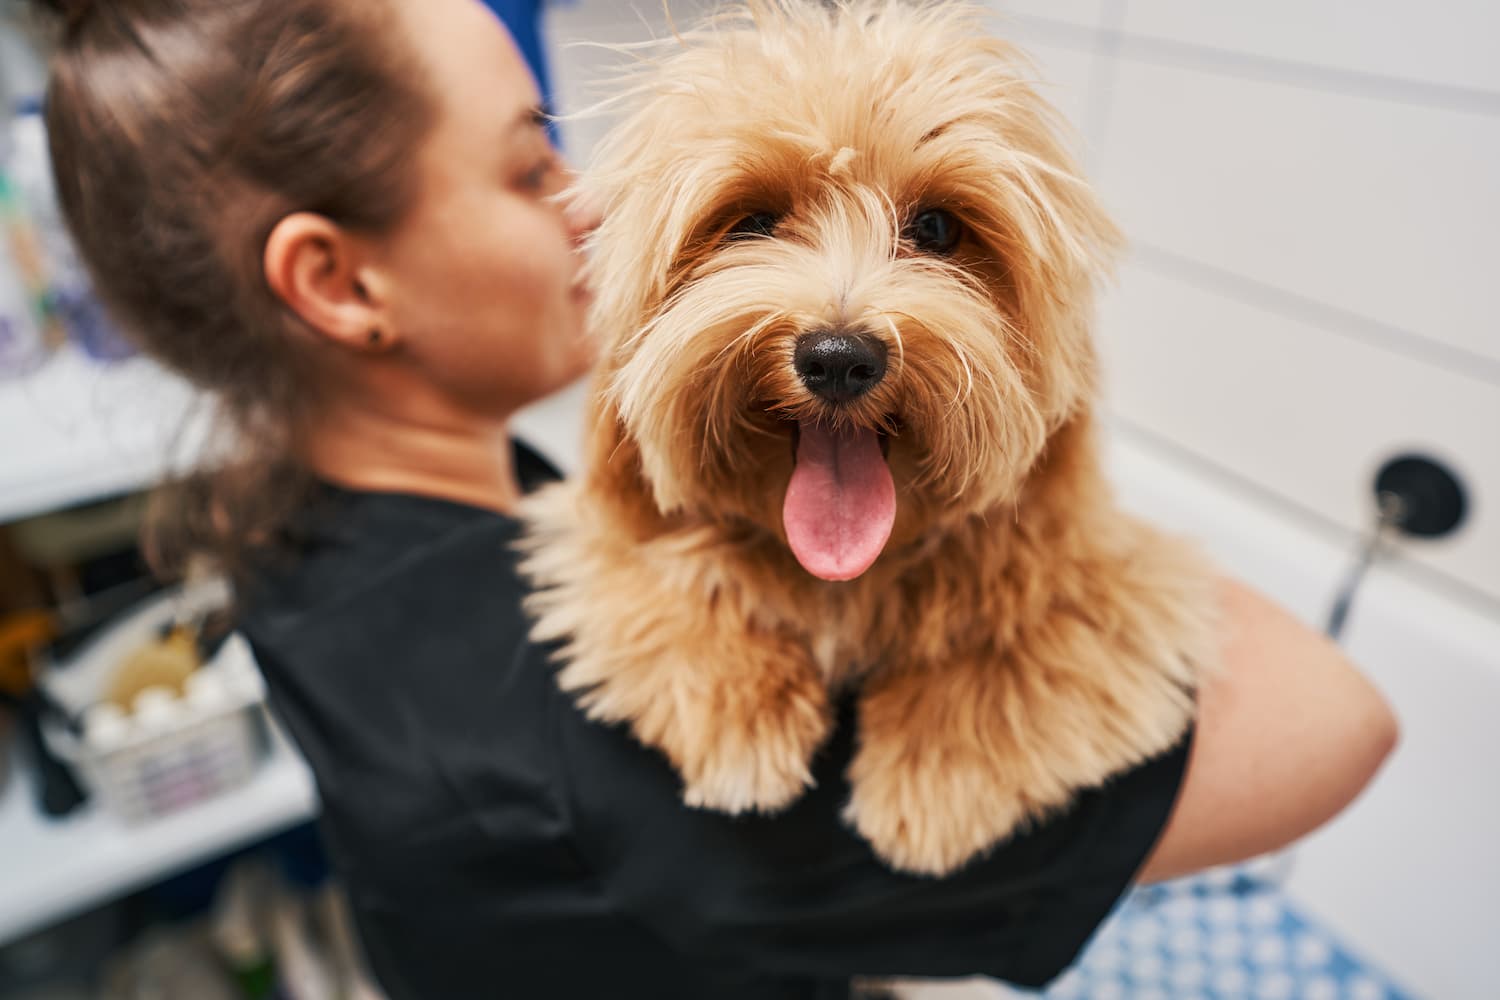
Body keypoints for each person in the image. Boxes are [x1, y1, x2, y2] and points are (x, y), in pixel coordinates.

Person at [32, 0, 1398, 997]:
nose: (595, 209)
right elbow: (1338, 720)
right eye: (530, 168)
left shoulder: (308, 516)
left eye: (934, 232)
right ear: (339, 284)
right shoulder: (616, 749)